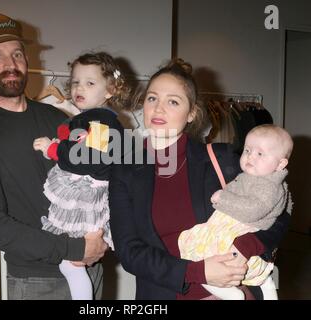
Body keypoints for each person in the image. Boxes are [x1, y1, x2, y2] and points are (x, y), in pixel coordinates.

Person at [0, 13, 108, 300]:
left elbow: (94, 178)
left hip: (92, 267)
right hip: (37, 281)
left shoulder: (55, 117)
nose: (10, 65)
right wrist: (75, 249)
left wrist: (102, 238)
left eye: (17, 54)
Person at [109, 59, 291, 300]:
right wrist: (200, 272)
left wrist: (248, 247)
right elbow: (129, 251)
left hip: (231, 289)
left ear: (191, 113)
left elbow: (281, 208)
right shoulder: (125, 171)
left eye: (173, 101)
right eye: (152, 98)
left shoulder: (222, 159)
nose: (159, 108)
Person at [33, 52, 131, 300]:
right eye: (76, 82)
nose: (80, 88)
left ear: (110, 90)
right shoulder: (91, 118)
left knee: (72, 264)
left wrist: (53, 149)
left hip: (86, 195)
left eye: (90, 83)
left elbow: (87, 158)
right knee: (71, 264)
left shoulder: (100, 121)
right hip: (87, 190)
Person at [178, 124, 293, 300]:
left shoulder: (269, 185)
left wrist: (223, 198)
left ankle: (228, 292)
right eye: (247, 150)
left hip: (241, 226)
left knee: (200, 250)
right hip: (234, 223)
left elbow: (254, 209)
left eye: (260, 153)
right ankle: (265, 283)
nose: (250, 157)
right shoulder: (252, 177)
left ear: (280, 164)